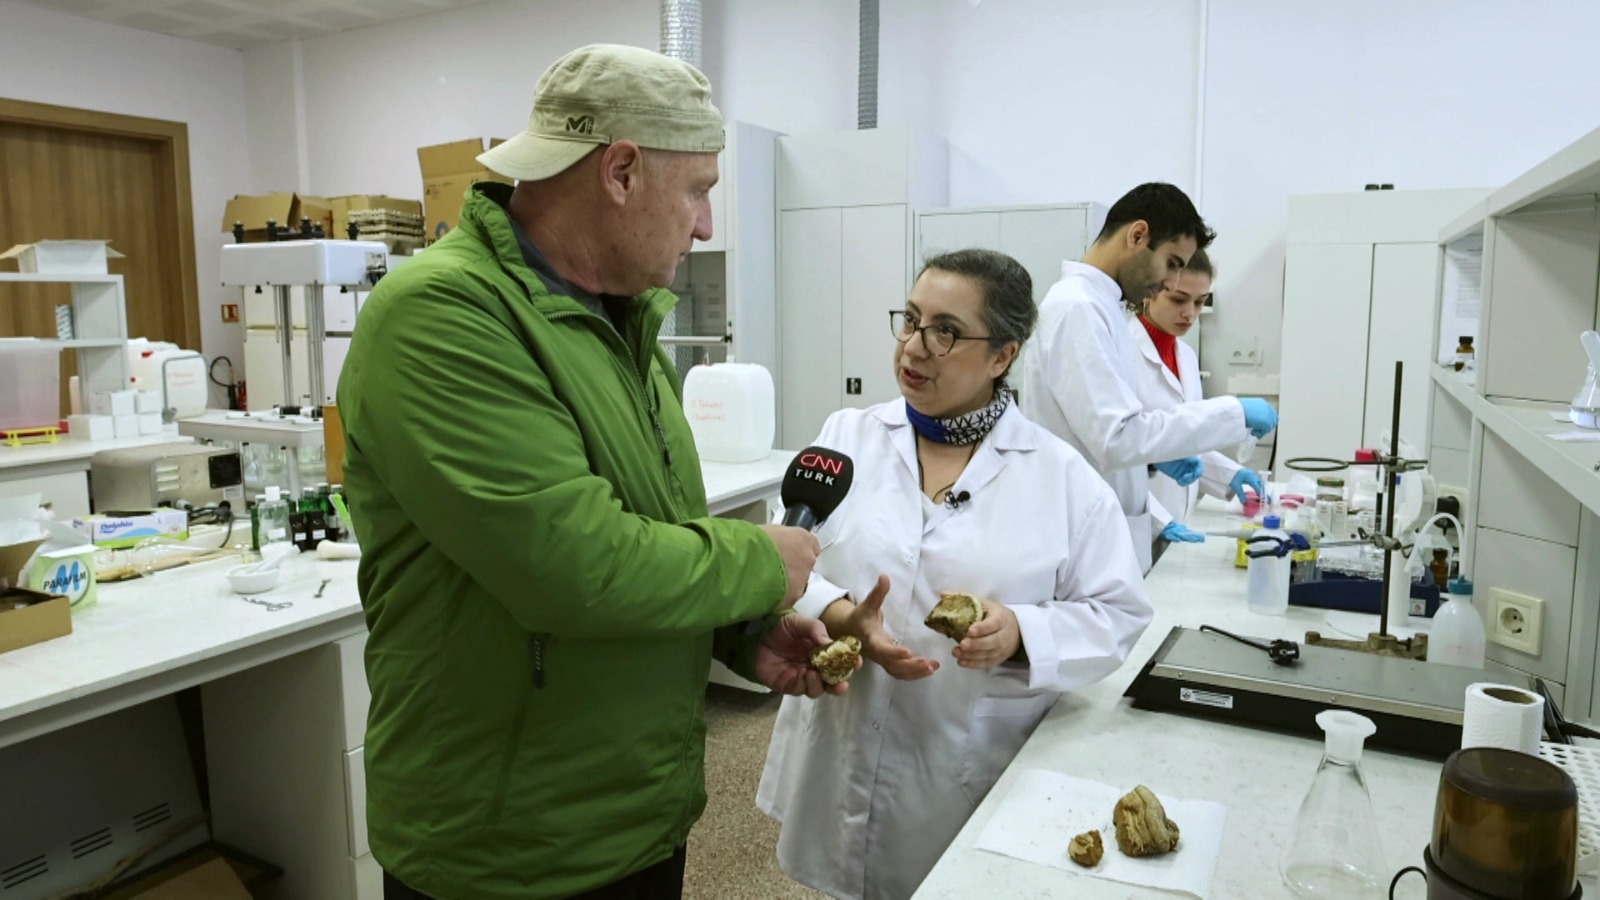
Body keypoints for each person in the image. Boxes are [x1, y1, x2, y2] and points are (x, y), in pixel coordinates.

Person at [338, 44, 844, 900]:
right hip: (506, 844)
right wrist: (763, 563)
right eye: (699, 190)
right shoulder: (441, 317)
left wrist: (741, 629)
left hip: (633, 812)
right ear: (619, 171)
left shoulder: (619, 319)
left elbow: (654, 528)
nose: (705, 225)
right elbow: (573, 567)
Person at [756, 249, 1154, 900]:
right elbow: (789, 551)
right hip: (844, 736)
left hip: (958, 757)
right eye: (910, 320)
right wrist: (836, 614)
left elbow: (1119, 613)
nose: (915, 347)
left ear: (1002, 356)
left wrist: (1021, 631)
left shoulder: (1062, 480)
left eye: (945, 331)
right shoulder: (846, 437)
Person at [1020, 182, 1278, 574]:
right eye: (1173, 263)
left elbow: (1112, 430)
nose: (1173, 283)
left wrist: (1160, 460)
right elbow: (1118, 438)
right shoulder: (1077, 308)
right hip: (1079, 540)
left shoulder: (1104, 309)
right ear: (1137, 235)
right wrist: (1233, 413)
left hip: (1102, 532)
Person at [1130, 249, 1267, 563]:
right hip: (1134, 523)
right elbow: (1113, 455)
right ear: (1150, 293)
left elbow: (1185, 438)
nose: (1190, 313)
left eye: (1200, 301)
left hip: (1175, 521)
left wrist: (1229, 474)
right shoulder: (1121, 352)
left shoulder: (1186, 357)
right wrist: (1159, 521)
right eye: (1179, 300)